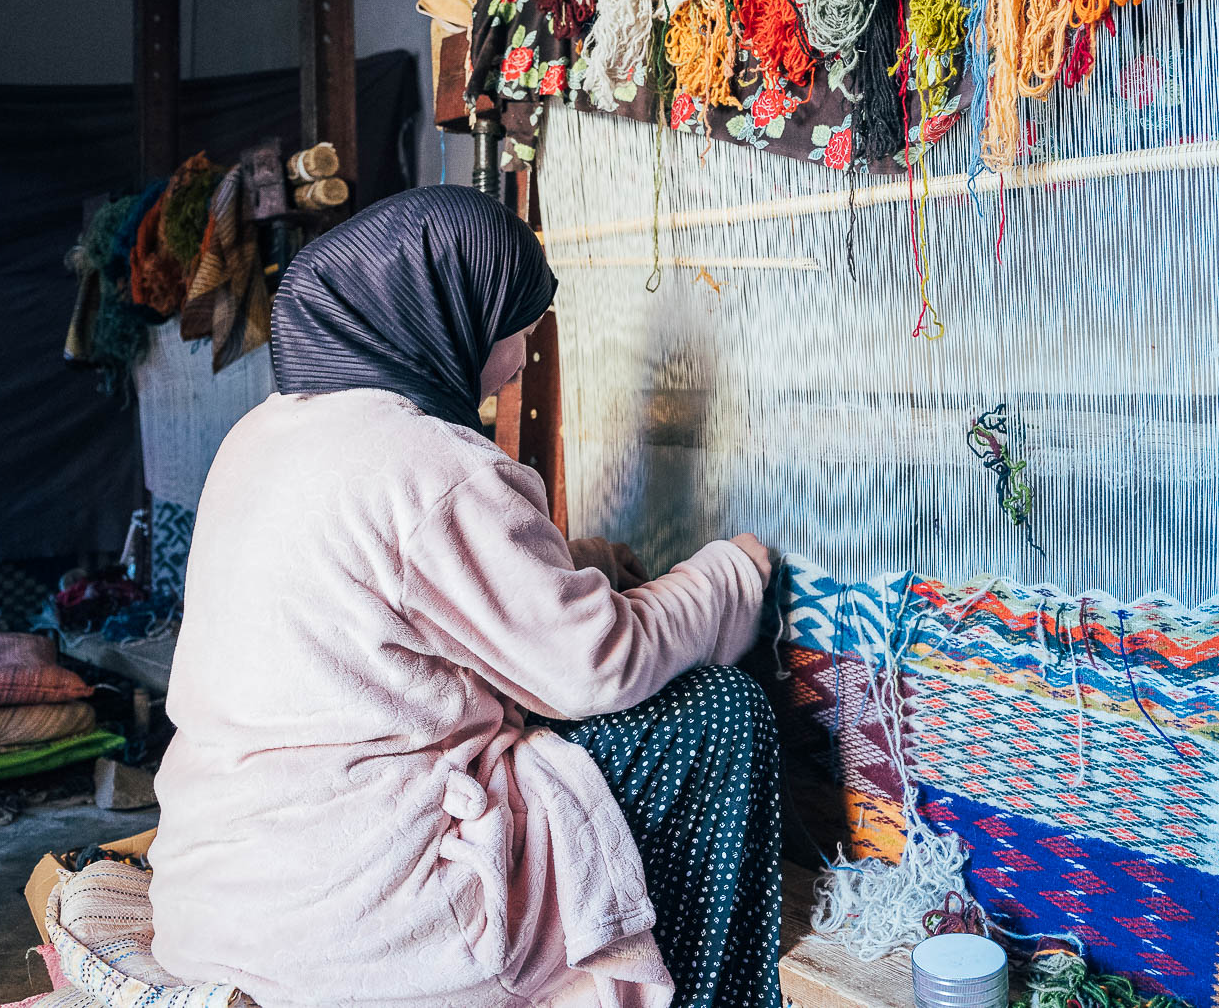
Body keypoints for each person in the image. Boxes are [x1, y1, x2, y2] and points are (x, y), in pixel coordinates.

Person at [149, 187, 782, 1008]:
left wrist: (580, 562)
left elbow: (396, 594)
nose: (522, 355)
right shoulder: (430, 466)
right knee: (720, 715)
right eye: (512, 322)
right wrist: (732, 573)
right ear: (443, 314)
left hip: (213, 901)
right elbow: (598, 662)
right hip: (367, 927)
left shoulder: (263, 436)